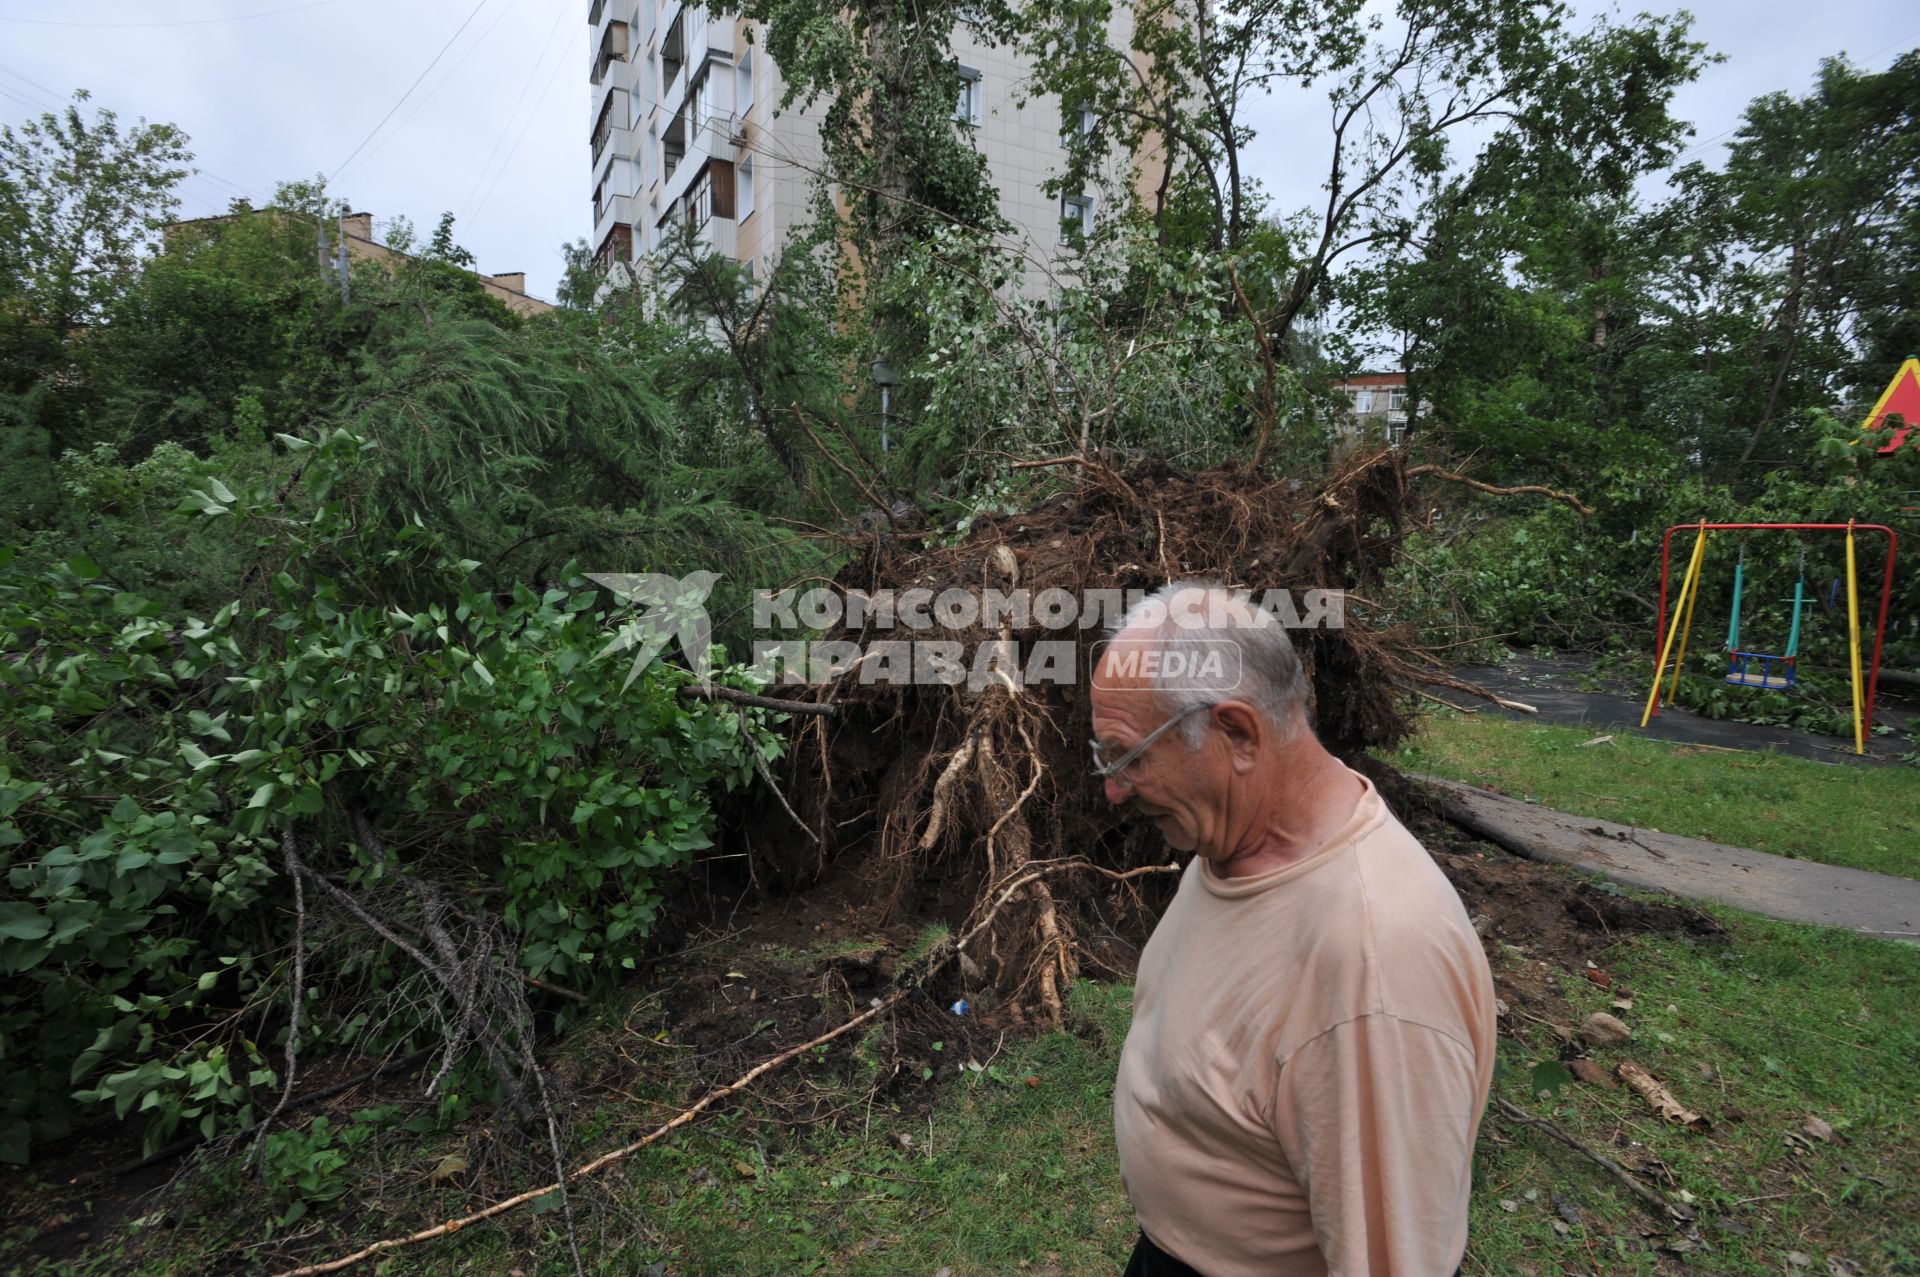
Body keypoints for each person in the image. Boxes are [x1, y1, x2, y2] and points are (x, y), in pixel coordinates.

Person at [1092, 582, 1496, 1277]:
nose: (1113, 787)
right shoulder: (1236, 839)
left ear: (1238, 735)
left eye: (1128, 755)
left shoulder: (1372, 959)